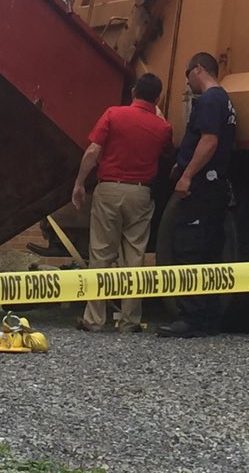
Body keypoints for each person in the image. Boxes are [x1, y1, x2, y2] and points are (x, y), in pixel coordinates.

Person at [72, 72, 173, 333]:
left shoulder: (113, 115)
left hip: (109, 189)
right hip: (140, 193)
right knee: (135, 256)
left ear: (133, 92)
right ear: (158, 97)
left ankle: (94, 319)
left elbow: (94, 151)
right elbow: (166, 150)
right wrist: (160, 117)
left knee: (101, 254)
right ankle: (130, 320)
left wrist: (80, 183)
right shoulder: (163, 128)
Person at [156, 52, 236, 338]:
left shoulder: (210, 100)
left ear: (198, 69)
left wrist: (187, 175)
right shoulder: (224, 100)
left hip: (202, 187)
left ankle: (190, 318)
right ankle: (208, 318)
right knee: (209, 252)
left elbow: (209, 140)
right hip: (214, 187)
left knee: (190, 250)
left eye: (187, 74)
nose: (186, 83)